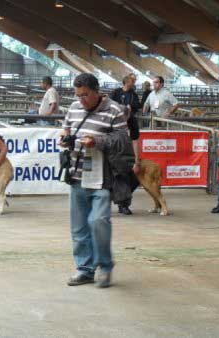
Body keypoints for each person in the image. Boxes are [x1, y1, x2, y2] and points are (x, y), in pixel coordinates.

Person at [60, 73, 134, 288]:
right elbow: (67, 127)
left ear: (96, 91)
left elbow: (122, 140)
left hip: (102, 178)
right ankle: (84, 269)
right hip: (76, 175)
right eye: (78, 95)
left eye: (85, 95)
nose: (81, 100)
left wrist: (97, 141)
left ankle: (104, 266)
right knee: (79, 228)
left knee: (98, 222)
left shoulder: (114, 110)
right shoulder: (74, 108)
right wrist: (64, 138)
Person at [109, 75, 142, 215]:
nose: (125, 118)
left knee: (133, 179)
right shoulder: (110, 118)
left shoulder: (132, 121)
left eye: (127, 115)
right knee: (116, 177)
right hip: (112, 152)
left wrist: (137, 161)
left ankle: (123, 202)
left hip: (126, 154)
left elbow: (135, 140)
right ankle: (120, 202)